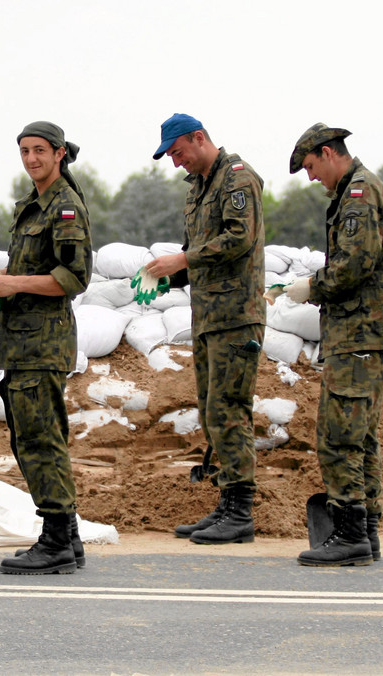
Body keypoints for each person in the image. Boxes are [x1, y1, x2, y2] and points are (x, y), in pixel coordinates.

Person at [274, 123, 383, 566]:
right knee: (361, 436)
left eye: (311, 167)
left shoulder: (358, 195)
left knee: (338, 435)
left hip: (363, 332)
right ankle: (367, 531)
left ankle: (350, 532)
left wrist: (311, 287)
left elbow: (353, 265)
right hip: (368, 333)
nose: (311, 177)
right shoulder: (358, 191)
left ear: (327, 152)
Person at [0, 121, 92, 575]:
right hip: (21, 339)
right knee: (31, 437)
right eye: (24, 151)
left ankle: (56, 540)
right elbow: (29, 271)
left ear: (59, 154)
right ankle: (68, 538)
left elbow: (73, 278)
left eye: (40, 150)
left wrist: (12, 282)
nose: (31, 159)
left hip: (43, 340)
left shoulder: (64, 207)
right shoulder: (33, 206)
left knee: (40, 439)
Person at [142, 114, 266, 546]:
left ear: (199, 139)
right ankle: (227, 503)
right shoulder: (198, 188)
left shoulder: (237, 179)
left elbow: (238, 239)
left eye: (178, 152)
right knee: (212, 410)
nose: (177, 163)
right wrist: (165, 276)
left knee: (230, 409)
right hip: (209, 316)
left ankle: (241, 512)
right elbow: (195, 255)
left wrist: (183, 260)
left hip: (237, 314)